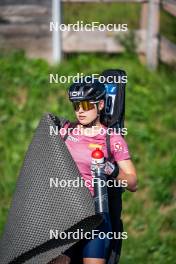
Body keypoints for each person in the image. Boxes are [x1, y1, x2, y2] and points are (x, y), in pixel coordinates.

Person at [53, 78, 137, 264]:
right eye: (76, 105)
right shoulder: (65, 132)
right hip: (66, 216)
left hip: (96, 217)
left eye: (85, 104)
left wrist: (111, 170)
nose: (80, 110)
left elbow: (132, 183)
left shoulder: (112, 139)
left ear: (100, 105)